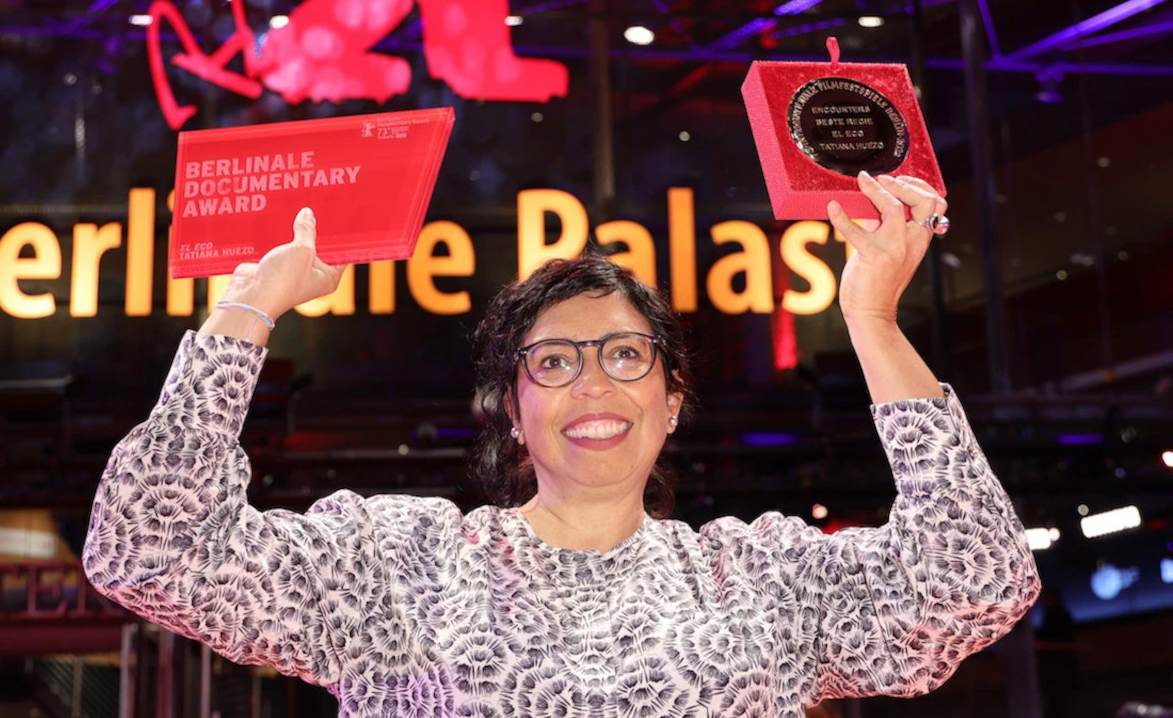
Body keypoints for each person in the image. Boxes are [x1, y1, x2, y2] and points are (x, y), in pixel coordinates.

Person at [83, 172, 1041, 716]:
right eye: (552, 362)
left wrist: (872, 320)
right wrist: (246, 310)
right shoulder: (397, 569)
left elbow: (977, 581)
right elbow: (153, 552)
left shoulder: (764, 579)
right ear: (511, 408)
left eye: (626, 355)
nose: (592, 380)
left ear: (671, 403)